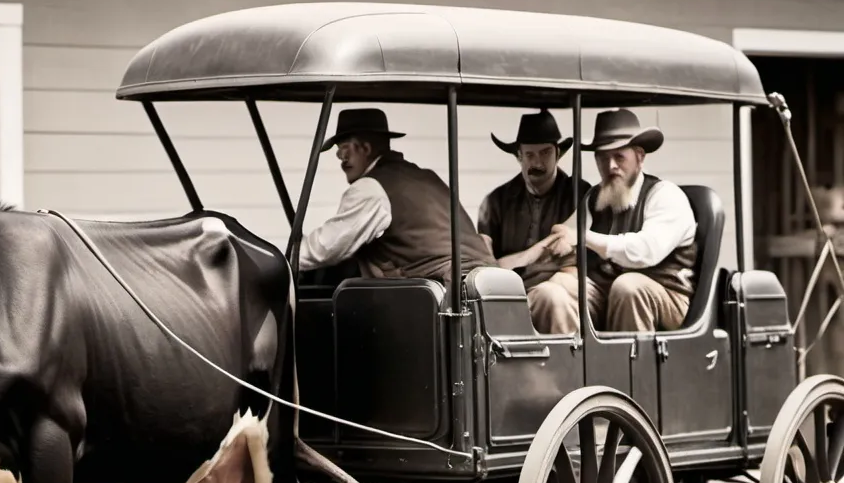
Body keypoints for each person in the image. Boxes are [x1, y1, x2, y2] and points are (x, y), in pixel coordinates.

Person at [297, 108, 494, 284]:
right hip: (487, 283)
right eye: (339, 154)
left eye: (345, 151)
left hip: (446, 293)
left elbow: (325, 248)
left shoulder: (370, 188)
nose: (342, 160)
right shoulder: (425, 176)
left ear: (366, 149)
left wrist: (283, 259)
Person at [546, 109, 698, 333]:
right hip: (609, 291)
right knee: (555, 288)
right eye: (603, 158)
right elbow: (563, 235)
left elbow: (645, 251)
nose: (610, 166)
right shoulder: (596, 198)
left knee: (628, 287)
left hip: (667, 296)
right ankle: (573, 364)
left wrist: (582, 237)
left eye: (619, 157)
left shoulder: (665, 195)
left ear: (640, 156)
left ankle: (630, 368)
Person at [477, 109, 590, 333]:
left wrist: (513, 263)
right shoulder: (496, 201)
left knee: (553, 296)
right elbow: (484, 266)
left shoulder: (580, 194)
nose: (537, 162)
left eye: (545, 152)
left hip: (563, 294)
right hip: (509, 296)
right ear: (518, 156)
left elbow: (581, 261)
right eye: (529, 155)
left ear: (558, 153)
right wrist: (535, 253)